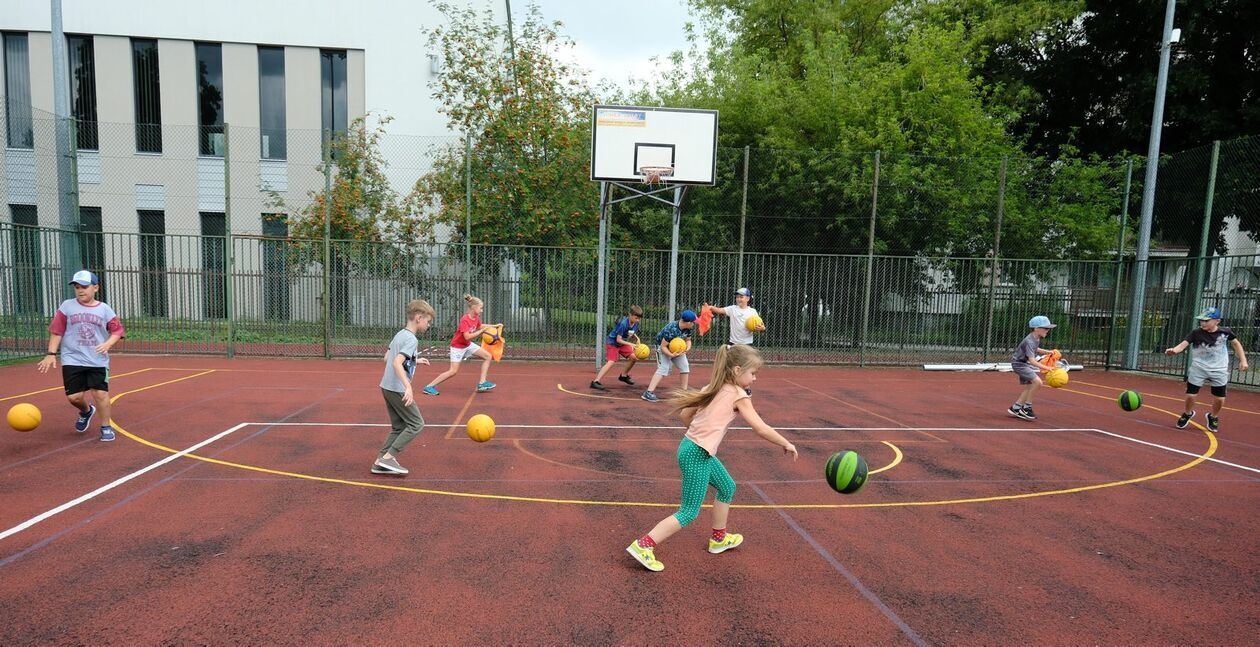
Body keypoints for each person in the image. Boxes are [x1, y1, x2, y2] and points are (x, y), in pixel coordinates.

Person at [626, 345, 797, 572]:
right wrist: (785, 442)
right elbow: (760, 427)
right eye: (753, 373)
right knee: (688, 512)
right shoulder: (738, 395)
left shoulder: (713, 387)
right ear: (737, 370)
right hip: (697, 454)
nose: (755, 378)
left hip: (692, 448)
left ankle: (719, 539)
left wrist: (699, 434)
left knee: (727, 486)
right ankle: (643, 545)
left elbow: (686, 414)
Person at [36, 270, 126, 442]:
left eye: (84, 286)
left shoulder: (104, 309)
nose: (80, 290)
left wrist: (108, 343)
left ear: (96, 288)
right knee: (74, 397)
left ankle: (106, 426)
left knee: (100, 393)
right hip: (72, 358)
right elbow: (57, 331)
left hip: (97, 360)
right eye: (77, 287)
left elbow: (117, 330)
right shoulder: (67, 306)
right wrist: (51, 354)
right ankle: (86, 411)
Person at [372, 299, 436, 476]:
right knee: (417, 423)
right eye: (428, 321)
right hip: (398, 388)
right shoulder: (411, 339)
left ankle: (380, 461)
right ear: (418, 317)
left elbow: (387, 356)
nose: (428, 325)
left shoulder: (400, 334)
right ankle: (388, 458)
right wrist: (408, 387)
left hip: (387, 387)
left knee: (398, 427)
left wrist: (415, 360)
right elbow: (395, 361)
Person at [1165, 307, 1250, 433]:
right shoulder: (1196, 333)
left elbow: (1236, 344)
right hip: (1199, 368)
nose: (1203, 323)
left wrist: (1243, 360)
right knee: (1190, 395)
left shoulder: (1225, 332)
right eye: (1201, 320)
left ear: (1217, 321)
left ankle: (1213, 417)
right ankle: (1188, 413)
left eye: (1206, 320)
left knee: (1220, 398)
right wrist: (1174, 351)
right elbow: (1183, 345)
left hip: (1219, 369)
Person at [423, 294, 500, 395]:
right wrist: (481, 332)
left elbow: (480, 326)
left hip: (467, 345)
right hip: (457, 347)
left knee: (488, 356)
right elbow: (467, 336)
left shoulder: (476, 317)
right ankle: (429, 387)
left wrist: (494, 326)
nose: (482, 310)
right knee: (453, 371)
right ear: (474, 307)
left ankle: (482, 383)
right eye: (481, 308)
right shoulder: (465, 319)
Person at [1007, 315, 1058, 421]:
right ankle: (1026, 408)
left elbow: (1036, 348)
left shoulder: (1035, 338)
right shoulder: (1029, 341)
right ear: (1036, 328)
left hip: (1023, 363)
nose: (1048, 330)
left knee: (1030, 386)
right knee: (1038, 382)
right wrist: (1047, 368)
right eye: (1045, 328)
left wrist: (1047, 352)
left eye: (1048, 328)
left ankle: (1016, 408)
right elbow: (1032, 360)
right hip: (1020, 364)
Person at [641, 310, 697, 402]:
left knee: (685, 366)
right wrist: (671, 355)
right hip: (662, 347)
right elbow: (663, 347)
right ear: (688, 322)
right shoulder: (672, 329)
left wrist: (687, 348)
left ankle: (684, 392)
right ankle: (648, 393)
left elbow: (688, 340)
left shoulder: (689, 328)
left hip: (676, 348)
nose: (694, 324)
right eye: (693, 322)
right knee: (663, 368)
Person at [591, 305, 643, 391]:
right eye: (636, 318)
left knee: (634, 358)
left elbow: (631, 332)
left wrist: (637, 338)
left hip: (622, 343)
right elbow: (618, 340)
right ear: (630, 315)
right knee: (611, 362)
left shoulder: (635, 323)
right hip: (613, 343)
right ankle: (595, 382)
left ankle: (623, 376)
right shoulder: (623, 324)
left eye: (639, 318)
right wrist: (631, 344)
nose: (638, 320)